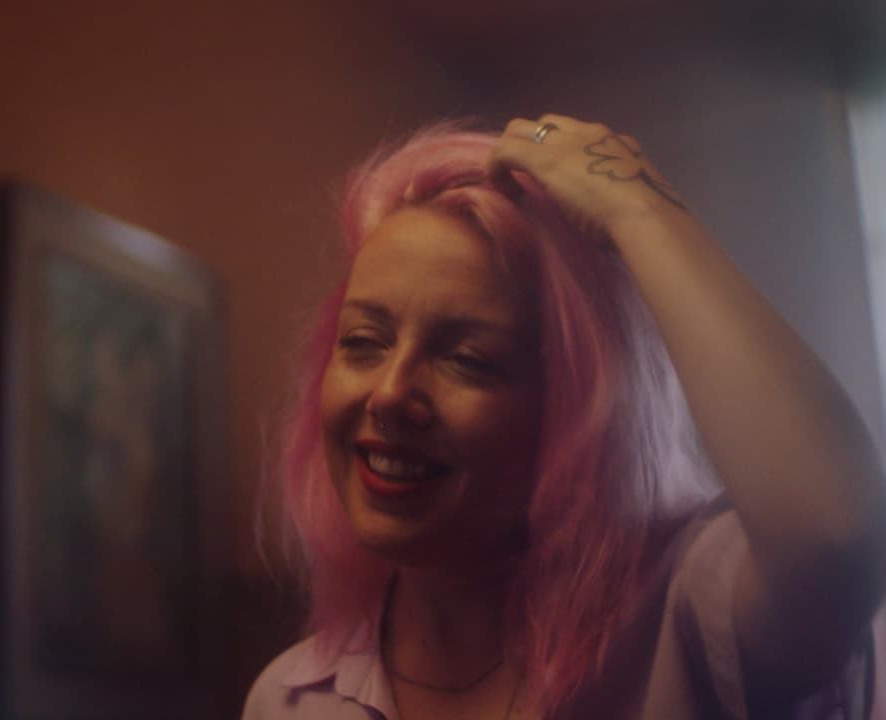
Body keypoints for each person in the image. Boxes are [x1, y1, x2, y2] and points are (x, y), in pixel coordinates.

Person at [243, 114, 886, 719]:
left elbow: (833, 541)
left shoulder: (682, 614)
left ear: (575, 410)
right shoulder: (289, 700)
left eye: (467, 359)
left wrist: (639, 208)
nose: (388, 395)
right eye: (363, 341)